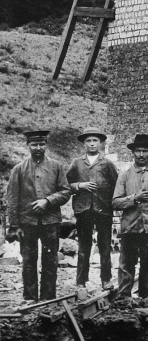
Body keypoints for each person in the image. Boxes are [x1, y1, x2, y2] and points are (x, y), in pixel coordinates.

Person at [4, 129, 71, 303]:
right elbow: (12, 199)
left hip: (50, 222)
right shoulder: (19, 169)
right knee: (28, 261)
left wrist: (47, 201)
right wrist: (14, 225)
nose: (38, 147)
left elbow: (66, 192)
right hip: (27, 223)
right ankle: (30, 297)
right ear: (28, 146)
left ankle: (48, 297)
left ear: (46, 145)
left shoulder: (57, 167)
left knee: (50, 260)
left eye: (41, 144)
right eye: (34, 144)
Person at [112, 134, 148, 300]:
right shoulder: (125, 176)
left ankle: (146, 298)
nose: (142, 154)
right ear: (133, 153)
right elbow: (115, 202)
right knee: (126, 265)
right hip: (130, 227)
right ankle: (124, 298)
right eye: (138, 151)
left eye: (145, 151)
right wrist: (134, 198)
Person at [66, 127, 118, 292]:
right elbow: (65, 185)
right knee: (84, 246)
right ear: (84, 144)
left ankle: (106, 280)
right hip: (83, 210)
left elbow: (117, 186)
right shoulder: (77, 163)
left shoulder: (108, 164)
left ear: (100, 143)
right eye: (88, 141)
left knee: (104, 246)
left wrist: (114, 205)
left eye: (95, 140)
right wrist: (80, 185)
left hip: (103, 209)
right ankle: (81, 281)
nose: (92, 144)